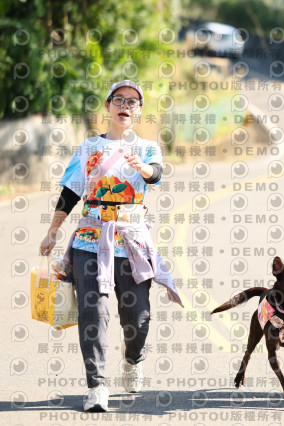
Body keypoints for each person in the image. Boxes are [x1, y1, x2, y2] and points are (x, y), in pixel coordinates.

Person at [39, 80, 182, 412]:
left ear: (139, 111)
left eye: (132, 102)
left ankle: (133, 359)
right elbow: (70, 192)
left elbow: (156, 174)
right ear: (107, 106)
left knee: (138, 316)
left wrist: (143, 169)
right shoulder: (88, 147)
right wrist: (53, 231)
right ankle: (97, 386)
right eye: (119, 99)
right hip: (90, 239)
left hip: (132, 242)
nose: (125, 106)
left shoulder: (147, 148)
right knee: (93, 312)